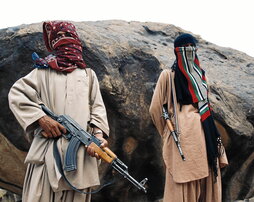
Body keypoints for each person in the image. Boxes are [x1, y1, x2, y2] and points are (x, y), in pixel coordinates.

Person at [8, 21, 109, 202]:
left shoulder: (88, 75)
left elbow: (97, 108)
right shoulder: (42, 72)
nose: (64, 42)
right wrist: (40, 118)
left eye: (68, 36)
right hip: (47, 152)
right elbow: (17, 94)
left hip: (80, 153)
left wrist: (99, 136)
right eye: (59, 37)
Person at [149, 33, 228, 202]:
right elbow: (157, 109)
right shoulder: (194, 76)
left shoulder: (174, 75)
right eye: (186, 49)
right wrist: (169, 131)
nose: (189, 52)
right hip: (199, 136)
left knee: (187, 181)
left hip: (193, 137)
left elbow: (155, 109)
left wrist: (166, 132)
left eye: (191, 48)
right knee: (193, 179)